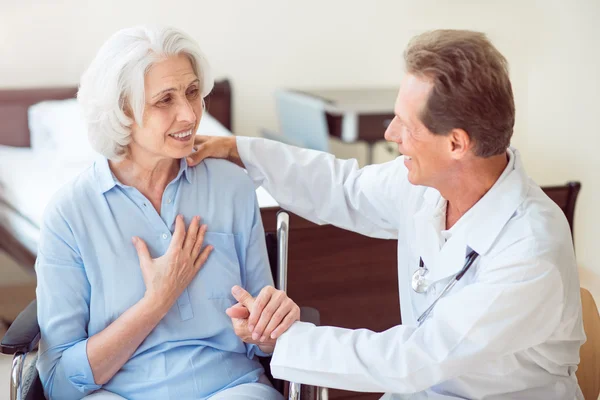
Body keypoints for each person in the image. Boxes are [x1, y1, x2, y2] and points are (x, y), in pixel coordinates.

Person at [188, 30, 586, 399]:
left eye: (407, 125)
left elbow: (414, 358)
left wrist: (285, 340)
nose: (390, 134)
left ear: (456, 144)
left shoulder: (531, 250)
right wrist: (237, 149)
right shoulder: (425, 187)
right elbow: (343, 189)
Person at [35, 26, 297, 400]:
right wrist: (157, 301)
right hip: (117, 393)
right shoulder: (70, 214)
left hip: (231, 388)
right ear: (121, 110)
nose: (189, 114)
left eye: (193, 93)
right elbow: (60, 382)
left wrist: (270, 330)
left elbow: (263, 345)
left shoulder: (233, 187)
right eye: (165, 100)